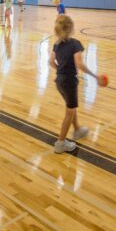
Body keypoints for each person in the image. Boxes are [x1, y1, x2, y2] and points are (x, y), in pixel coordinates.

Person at [48, 15, 105, 154]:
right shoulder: (75, 44)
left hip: (59, 81)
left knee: (71, 107)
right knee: (69, 111)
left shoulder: (56, 44)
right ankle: (60, 143)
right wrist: (95, 76)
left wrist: (60, 70)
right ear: (71, 28)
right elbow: (79, 64)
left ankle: (78, 129)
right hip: (69, 82)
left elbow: (50, 62)